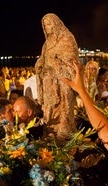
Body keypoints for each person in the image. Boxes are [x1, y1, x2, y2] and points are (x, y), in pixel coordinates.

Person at [35, 13, 78, 142]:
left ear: (56, 24)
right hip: (49, 82)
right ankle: (51, 130)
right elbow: (44, 58)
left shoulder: (67, 39)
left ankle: (64, 133)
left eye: (49, 24)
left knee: (64, 109)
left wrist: (55, 63)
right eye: (45, 25)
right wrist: (40, 63)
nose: (47, 27)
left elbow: (72, 60)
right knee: (50, 108)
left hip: (63, 81)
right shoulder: (47, 43)